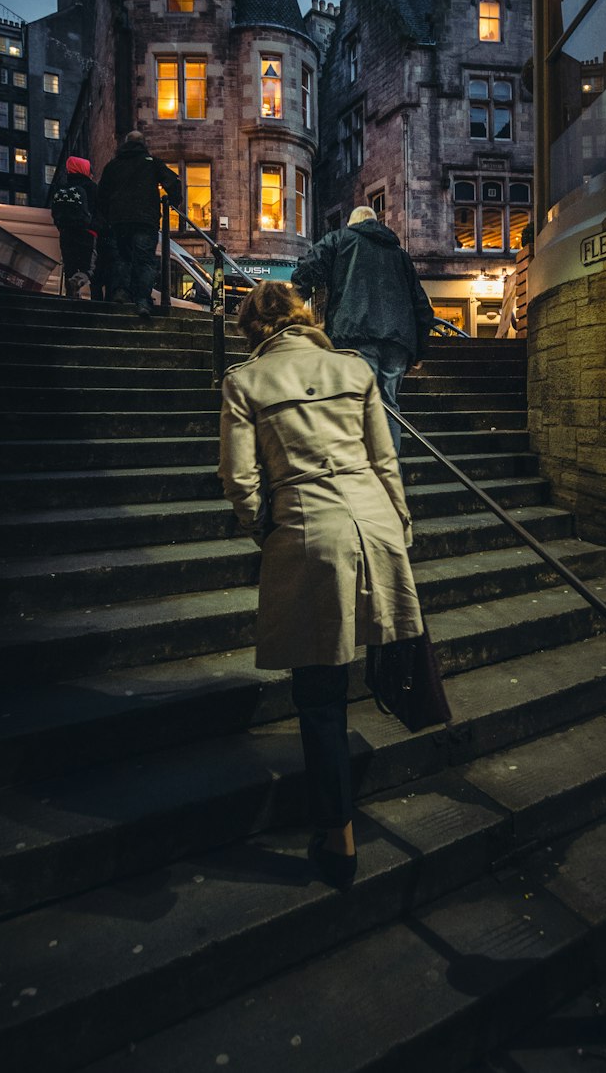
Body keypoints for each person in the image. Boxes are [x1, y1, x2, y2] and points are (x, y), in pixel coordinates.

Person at [218, 281, 424, 890]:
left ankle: (338, 837)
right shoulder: (353, 367)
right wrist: (399, 526)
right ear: (305, 317)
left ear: (253, 328)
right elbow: (385, 458)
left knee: (319, 690)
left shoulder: (243, 381)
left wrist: (267, 528)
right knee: (374, 649)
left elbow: (238, 477)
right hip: (374, 516)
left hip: (308, 525)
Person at [291, 206, 435, 453]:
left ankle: (360, 470)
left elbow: (309, 268)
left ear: (353, 224)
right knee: (387, 405)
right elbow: (422, 306)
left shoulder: (340, 239)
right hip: (397, 344)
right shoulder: (400, 255)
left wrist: (294, 302)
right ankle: (389, 475)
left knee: (354, 403)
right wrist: (419, 352)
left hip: (353, 335)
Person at [96, 129, 181, 320]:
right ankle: (142, 300)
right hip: (145, 219)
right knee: (145, 260)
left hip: (120, 220)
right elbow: (173, 182)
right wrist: (174, 200)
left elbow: (101, 195)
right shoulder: (151, 163)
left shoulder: (113, 166)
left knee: (122, 257)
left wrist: (109, 216)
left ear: (125, 143)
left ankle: (120, 292)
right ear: (144, 144)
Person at [50, 156, 98, 298]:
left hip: (65, 233)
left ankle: (71, 296)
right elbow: (99, 210)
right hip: (87, 233)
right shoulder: (91, 187)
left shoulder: (62, 187)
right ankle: (77, 282)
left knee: (69, 266)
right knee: (89, 268)